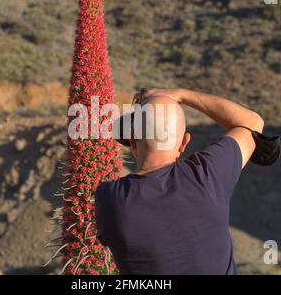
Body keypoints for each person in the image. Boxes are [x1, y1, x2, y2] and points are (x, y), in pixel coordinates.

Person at [95, 88, 264, 275]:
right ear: (184, 142)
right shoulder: (208, 174)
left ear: (133, 142)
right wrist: (182, 95)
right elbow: (252, 122)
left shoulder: (109, 198)